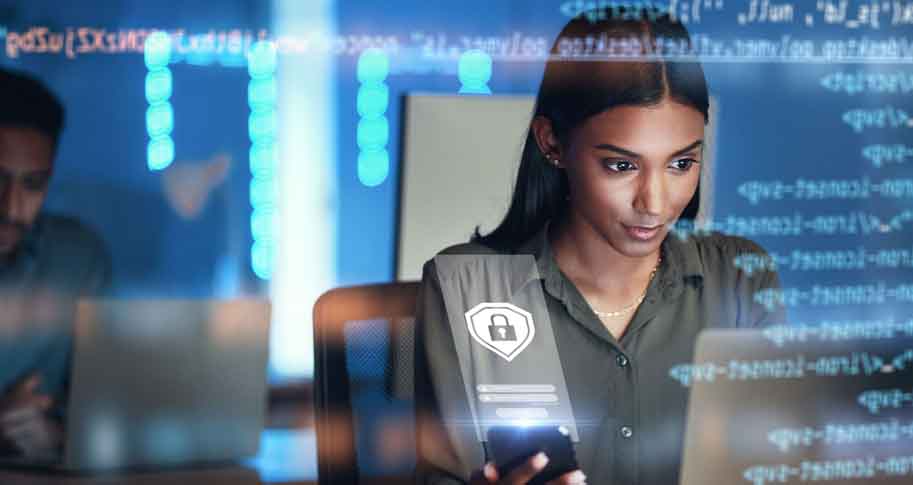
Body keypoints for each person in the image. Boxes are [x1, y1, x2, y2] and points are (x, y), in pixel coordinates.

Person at [414, 7, 786, 485]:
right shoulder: (469, 286)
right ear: (552, 143)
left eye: (681, 164)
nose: (654, 204)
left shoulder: (739, 278)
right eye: (621, 166)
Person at [0, 68, 110, 458]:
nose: (12, 207)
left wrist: (59, 438)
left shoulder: (78, 258)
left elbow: (105, 408)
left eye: (33, 184)